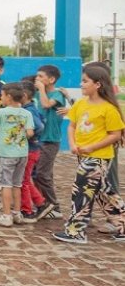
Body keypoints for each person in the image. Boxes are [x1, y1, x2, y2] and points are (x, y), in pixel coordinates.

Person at [53, 66, 125, 244]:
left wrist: (91, 147)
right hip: (83, 154)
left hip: (99, 157)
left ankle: (76, 231)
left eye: (85, 81)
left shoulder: (109, 109)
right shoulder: (80, 103)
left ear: (98, 84)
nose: (81, 84)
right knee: (104, 192)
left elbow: (115, 135)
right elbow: (72, 125)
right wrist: (73, 144)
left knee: (81, 190)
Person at [0, 83, 34, 227]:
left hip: (6, 154)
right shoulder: (27, 113)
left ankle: (6, 215)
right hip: (22, 153)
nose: (1, 98)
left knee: (4, 184)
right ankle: (17, 213)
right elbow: (30, 133)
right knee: (17, 184)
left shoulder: (1, 112)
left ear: (8, 96)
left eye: (2, 95)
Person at [34, 64, 66, 219]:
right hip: (39, 139)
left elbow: (47, 105)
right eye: (37, 76)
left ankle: (54, 206)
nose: (37, 79)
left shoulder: (57, 95)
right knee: (43, 173)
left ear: (51, 79)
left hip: (50, 140)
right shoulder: (38, 95)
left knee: (42, 174)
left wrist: (40, 89)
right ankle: (45, 203)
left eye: (41, 76)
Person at [19, 80, 46, 222]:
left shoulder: (28, 111)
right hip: (31, 150)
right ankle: (40, 203)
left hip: (30, 150)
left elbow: (40, 126)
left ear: (23, 95)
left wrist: (30, 136)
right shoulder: (30, 108)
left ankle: (26, 210)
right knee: (25, 179)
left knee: (23, 181)